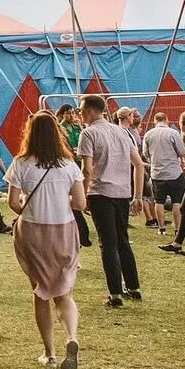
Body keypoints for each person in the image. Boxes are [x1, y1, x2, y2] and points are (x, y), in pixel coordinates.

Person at [6, 112, 88, 369]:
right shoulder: (69, 165)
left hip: (33, 229)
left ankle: (50, 353)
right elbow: (81, 204)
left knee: (40, 292)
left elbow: (12, 202)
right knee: (64, 292)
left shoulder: (21, 164)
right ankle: (72, 336)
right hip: (63, 229)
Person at [75, 93, 144, 308]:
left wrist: (83, 194)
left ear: (91, 111)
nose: (79, 113)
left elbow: (86, 169)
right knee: (122, 239)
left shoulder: (88, 133)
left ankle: (115, 293)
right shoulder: (123, 133)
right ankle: (133, 287)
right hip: (122, 192)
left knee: (108, 243)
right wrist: (138, 196)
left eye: (81, 109)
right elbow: (139, 165)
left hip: (100, 192)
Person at [142, 110, 185, 234]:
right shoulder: (173, 133)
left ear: (154, 121)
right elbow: (181, 151)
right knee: (176, 201)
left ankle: (161, 227)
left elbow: (145, 153)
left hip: (157, 173)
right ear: (167, 120)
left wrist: (153, 161)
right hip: (174, 172)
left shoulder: (148, 134)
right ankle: (178, 228)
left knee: (159, 201)